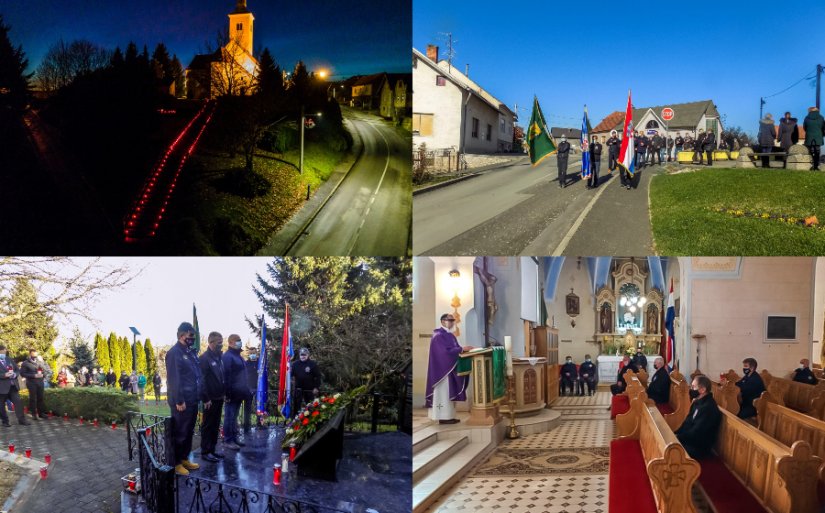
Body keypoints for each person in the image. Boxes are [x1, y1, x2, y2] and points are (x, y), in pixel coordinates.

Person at [165, 322, 202, 475]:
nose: (192, 338)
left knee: (188, 431)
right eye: (190, 336)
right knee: (180, 432)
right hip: (182, 402)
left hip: (192, 398)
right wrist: (179, 400)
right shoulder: (175, 353)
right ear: (182, 335)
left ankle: (184, 457)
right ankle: (175, 463)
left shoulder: (189, 353)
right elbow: (174, 379)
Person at [426, 313, 473, 424]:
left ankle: (449, 416)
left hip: (449, 369)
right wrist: (461, 349)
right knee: (443, 393)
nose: (452, 322)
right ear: (442, 321)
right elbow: (443, 353)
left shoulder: (450, 335)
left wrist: (463, 350)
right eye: (450, 320)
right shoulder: (438, 335)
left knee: (449, 393)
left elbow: (454, 349)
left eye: (453, 320)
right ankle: (443, 417)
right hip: (442, 372)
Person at [674, 375, 722, 459]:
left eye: (693, 387)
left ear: (703, 390)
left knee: (672, 450)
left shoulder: (708, 408)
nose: (691, 389)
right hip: (691, 440)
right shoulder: (698, 402)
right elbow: (687, 421)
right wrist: (676, 433)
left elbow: (698, 432)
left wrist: (679, 438)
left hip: (699, 447)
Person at [199, 332, 226, 462]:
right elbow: (201, 381)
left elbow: (221, 377)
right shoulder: (204, 358)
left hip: (219, 397)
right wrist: (206, 398)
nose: (221, 344)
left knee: (215, 425)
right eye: (218, 342)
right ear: (211, 343)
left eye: (222, 341)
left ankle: (213, 449)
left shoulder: (219, 357)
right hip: (209, 399)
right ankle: (205, 451)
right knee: (208, 425)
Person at [222, 334, 250, 451]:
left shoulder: (238, 356)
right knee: (229, 417)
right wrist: (227, 393)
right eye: (237, 341)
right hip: (231, 393)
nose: (240, 342)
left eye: (240, 340)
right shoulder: (228, 356)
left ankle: (233, 438)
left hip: (239, 393)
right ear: (230, 343)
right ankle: (228, 440)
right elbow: (226, 376)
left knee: (234, 417)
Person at [0, 345, 30, 427]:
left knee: (18, 403)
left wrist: (14, 375)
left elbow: (17, 369)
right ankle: (5, 421)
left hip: (13, 387)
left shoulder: (9, 359)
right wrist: (4, 375)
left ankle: (22, 420)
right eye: (4, 350)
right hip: (1, 389)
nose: (5, 351)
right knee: (1, 406)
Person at [19, 349, 47, 420]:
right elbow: (22, 373)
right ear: (30, 354)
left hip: (40, 382)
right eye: (33, 355)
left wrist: (43, 375)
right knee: (33, 398)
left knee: (40, 398)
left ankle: (41, 413)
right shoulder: (25, 363)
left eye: (36, 355)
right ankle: (34, 414)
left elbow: (45, 370)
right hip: (31, 383)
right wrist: (34, 376)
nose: (35, 356)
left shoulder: (39, 362)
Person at [803, 106, 825, 171]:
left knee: (811, 151)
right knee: (817, 151)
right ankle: (816, 165)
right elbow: (823, 127)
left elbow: (804, 127)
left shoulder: (806, 118)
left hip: (809, 136)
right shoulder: (821, 117)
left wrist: (809, 131)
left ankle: (812, 165)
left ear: (809, 111)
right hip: (818, 136)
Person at [243, 350, 259, 432]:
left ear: (256, 354)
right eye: (251, 353)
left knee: (259, 407)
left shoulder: (260, 362)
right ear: (249, 354)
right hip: (249, 388)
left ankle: (259, 424)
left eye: (254, 353)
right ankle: (246, 425)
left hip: (259, 388)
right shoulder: (246, 363)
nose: (253, 355)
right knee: (247, 407)